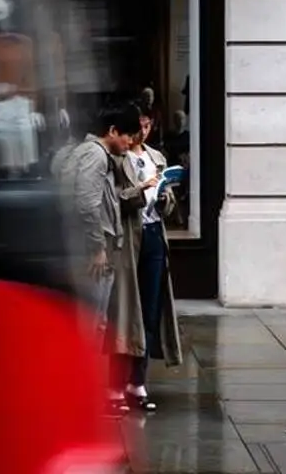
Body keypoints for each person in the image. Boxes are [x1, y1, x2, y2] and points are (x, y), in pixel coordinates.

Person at [55, 102, 142, 414]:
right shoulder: (96, 155)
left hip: (85, 246)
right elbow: (87, 203)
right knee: (93, 323)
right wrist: (97, 247)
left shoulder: (82, 152)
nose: (131, 143)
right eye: (128, 136)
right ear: (113, 131)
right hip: (94, 249)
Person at [109, 104, 183, 413]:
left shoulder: (156, 158)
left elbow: (168, 208)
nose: (144, 129)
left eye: (149, 123)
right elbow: (113, 201)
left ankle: (137, 382)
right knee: (126, 311)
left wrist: (165, 196)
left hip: (154, 236)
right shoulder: (117, 158)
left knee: (150, 309)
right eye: (140, 124)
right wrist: (141, 189)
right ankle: (114, 384)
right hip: (129, 238)